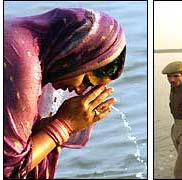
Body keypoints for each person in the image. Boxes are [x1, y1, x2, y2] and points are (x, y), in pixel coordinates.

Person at [4, 8, 126, 179]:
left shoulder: (20, 34)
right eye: (86, 81)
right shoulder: (23, 66)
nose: (79, 91)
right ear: (75, 56)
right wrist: (64, 124)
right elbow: (9, 171)